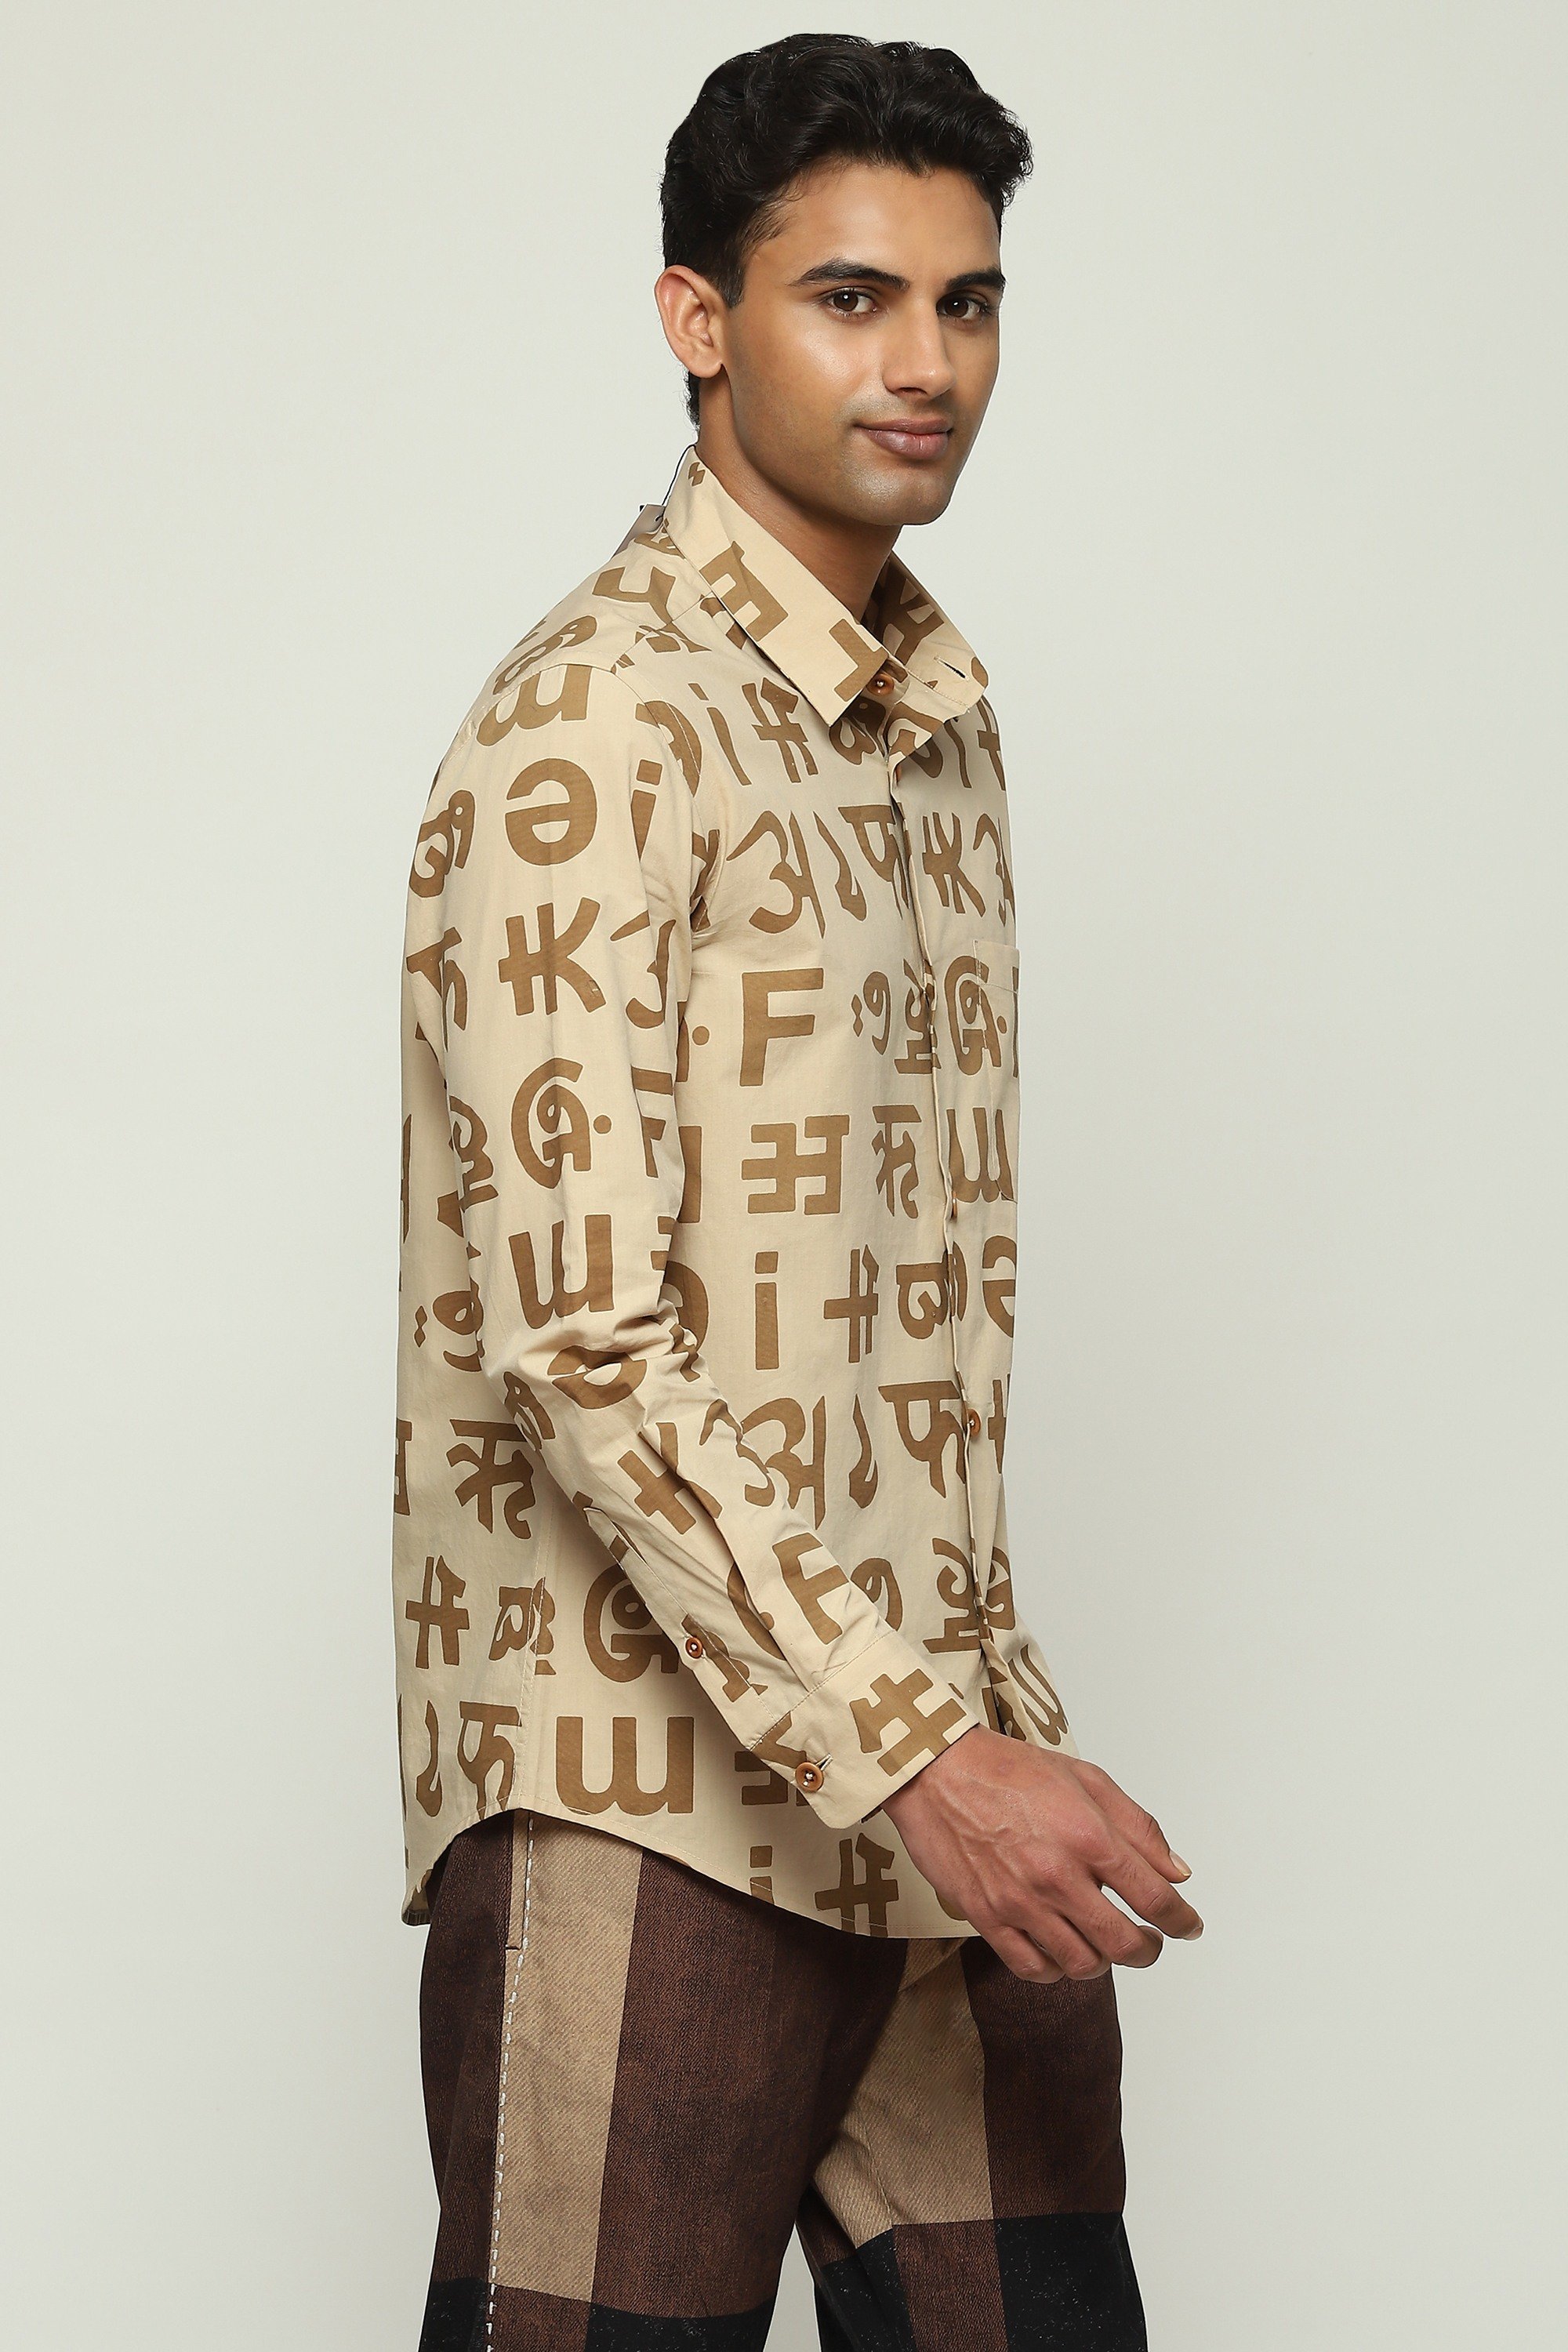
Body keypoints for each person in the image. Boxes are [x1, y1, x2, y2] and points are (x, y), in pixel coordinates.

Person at [394, 33, 1201, 2350]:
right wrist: (920, 1753)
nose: (924, 362)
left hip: (937, 1766)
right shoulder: (593, 729)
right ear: (698, 318)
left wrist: (962, 1721)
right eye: (851, 297)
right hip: (640, 1793)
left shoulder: (937, 721)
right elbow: (587, 1343)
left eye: (967, 301)